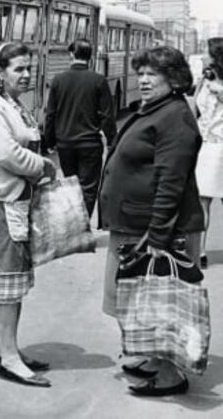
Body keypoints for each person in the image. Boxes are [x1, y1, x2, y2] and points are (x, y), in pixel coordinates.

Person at [99, 46, 204, 397]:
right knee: (137, 299)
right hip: (134, 224)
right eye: (140, 73)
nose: (143, 80)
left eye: (152, 74)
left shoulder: (175, 117)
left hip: (154, 229)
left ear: (173, 78)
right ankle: (154, 359)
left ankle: (171, 375)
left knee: (162, 302)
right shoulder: (158, 109)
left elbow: (171, 180)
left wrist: (158, 236)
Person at [0, 41, 57, 388]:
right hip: (1, 206)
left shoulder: (12, 104)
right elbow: (7, 154)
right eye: (18, 68)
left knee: (15, 284)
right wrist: (43, 165)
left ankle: (11, 350)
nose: (27, 74)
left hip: (17, 203)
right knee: (7, 285)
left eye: (28, 68)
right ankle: (8, 357)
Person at [44, 38, 116, 217]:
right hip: (90, 144)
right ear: (90, 58)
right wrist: (111, 142)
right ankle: (83, 226)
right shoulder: (99, 80)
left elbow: (50, 114)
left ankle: (73, 225)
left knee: (70, 186)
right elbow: (107, 116)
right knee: (88, 189)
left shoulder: (58, 80)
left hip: (65, 144)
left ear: (71, 55)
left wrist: (49, 141)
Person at [194, 37, 223, 269]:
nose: (203, 56)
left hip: (221, 144)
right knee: (202, 201)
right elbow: (194, 110)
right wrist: (201, 85)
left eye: (206, 52)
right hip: (206, 147)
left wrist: (219, 91)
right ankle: (200, 251)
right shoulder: (205, 79)